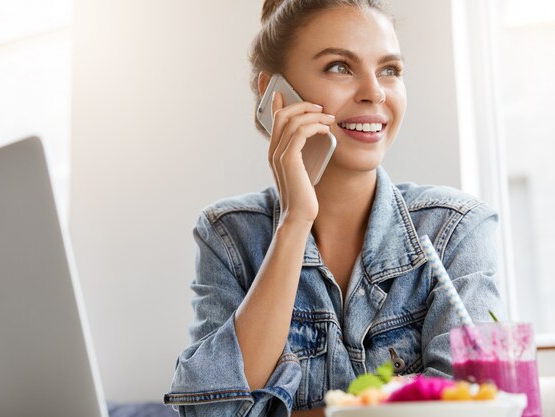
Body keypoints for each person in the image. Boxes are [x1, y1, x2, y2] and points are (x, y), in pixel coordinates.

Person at [164, 1, 504, 416]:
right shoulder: (229, 235)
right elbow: (208, 412)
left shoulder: (456, 229)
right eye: (340, 67)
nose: (375, 92)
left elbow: (468, 409)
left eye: (389, 70)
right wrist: (294, 221)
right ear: (273, 93)